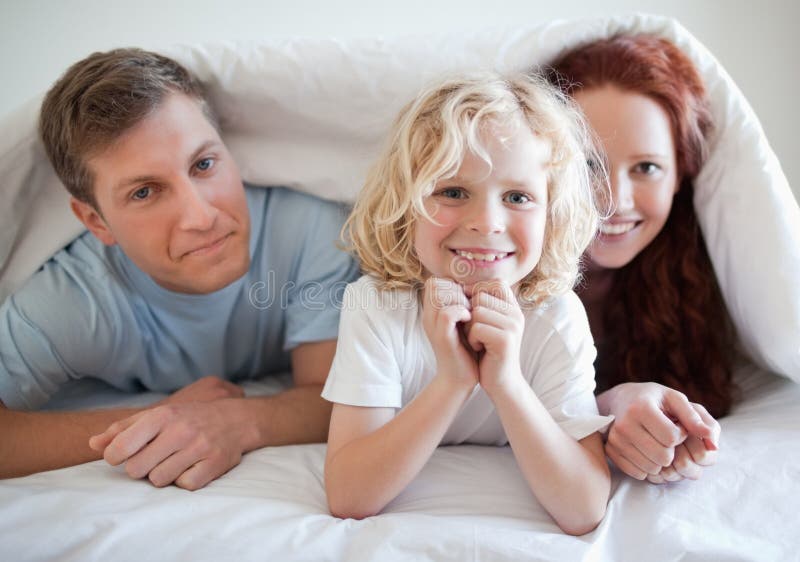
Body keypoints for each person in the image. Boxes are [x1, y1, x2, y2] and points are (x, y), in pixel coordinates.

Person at [0, 48, 359, 489]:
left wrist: (239, 421)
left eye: (204, 164)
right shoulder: (74, 300)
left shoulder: (311, 230)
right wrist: (156, 421)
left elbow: (332, 395)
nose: (201, 217)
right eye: (146, 192)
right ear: (97, 222)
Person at [322, 73, 612, 535]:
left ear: (551, 215)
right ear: (405, 203)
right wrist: (452, 381)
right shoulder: (375, 306)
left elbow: (584, 508)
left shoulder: (556, 317)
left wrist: (507, 383)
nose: (486, 222)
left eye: (518, 197)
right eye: (453, 192)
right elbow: (349, 494)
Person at [547, 34, 735, 484]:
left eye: (646, 167)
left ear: (678, 177)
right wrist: (608, 406)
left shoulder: (696, 277)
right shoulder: (498, 271)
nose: (614, 200)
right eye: (588, 166)